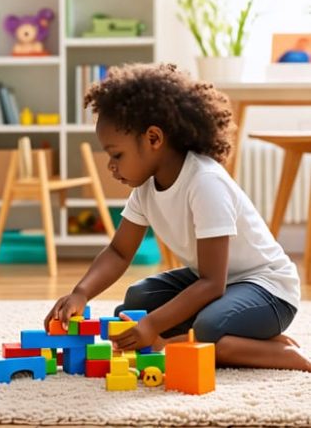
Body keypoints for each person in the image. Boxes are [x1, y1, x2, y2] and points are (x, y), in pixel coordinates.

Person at [45, 63, 308, 371]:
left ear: (153, 139)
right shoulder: (144, 189)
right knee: (135, 302)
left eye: (117, 155)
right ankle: (233, 340)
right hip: (217, 283)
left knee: (207, 326)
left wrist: (154, 325)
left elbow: (212, 284)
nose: (111, 167)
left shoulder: (205, 182)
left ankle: (280, 355)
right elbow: (119, 251)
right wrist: (81, 293)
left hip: (267, 290)